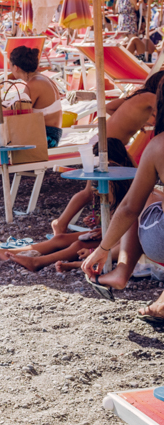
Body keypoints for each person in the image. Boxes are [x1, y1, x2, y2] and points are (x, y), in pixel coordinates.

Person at [81, 83, 164, 306]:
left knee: (146, 197)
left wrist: (103, 248)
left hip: (161, 242)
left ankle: (122, 271)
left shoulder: (158, 145)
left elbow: (129, 208)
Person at [6, 45, 64, 146]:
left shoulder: (34, 84)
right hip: (50, 135)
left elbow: (18, 113)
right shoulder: (41, 79)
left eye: (10, 65)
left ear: (16, 67)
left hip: (47, 138)